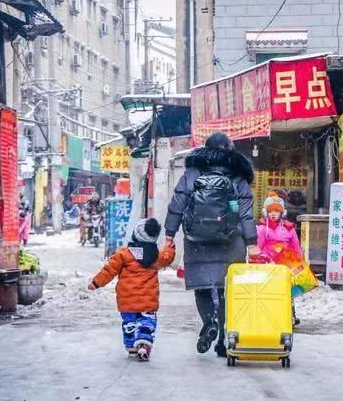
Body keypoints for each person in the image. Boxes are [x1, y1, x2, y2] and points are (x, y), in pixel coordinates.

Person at [164, 132, 261, 358]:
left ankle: (209, 321)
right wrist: (252, 243)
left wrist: (169, 234)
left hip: (197, 240)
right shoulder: (238, 175)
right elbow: (244, 213)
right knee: (227, 290)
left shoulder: (192, 172)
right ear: (229, 149)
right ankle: (222, 340)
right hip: (230, 240)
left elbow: (177, 204)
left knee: (203, 287)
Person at [88, 218, 175, 361]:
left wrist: (96, 283)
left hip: (127, 301)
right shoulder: (155, 256)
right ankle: (143, 343)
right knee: (147, 322)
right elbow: (168, 257)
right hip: (148, 301)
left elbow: (109, 270)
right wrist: (170, 246)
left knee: (129, 324)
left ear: (135, 235)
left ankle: (131, 348)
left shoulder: (123, 254)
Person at [254, 192, 302, 325]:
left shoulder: (288, 228)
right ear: (266, 212)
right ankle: (267, 313)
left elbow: (296, 247)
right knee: (268, 291)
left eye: (277, 211)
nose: (273, 214)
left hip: (285, 266)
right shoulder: (262, 229)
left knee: (286, 292)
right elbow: (258, 248)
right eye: (270, 211)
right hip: (267, 266)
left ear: (282, 212)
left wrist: (299, 263)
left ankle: (290, 316)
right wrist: (260, 259)